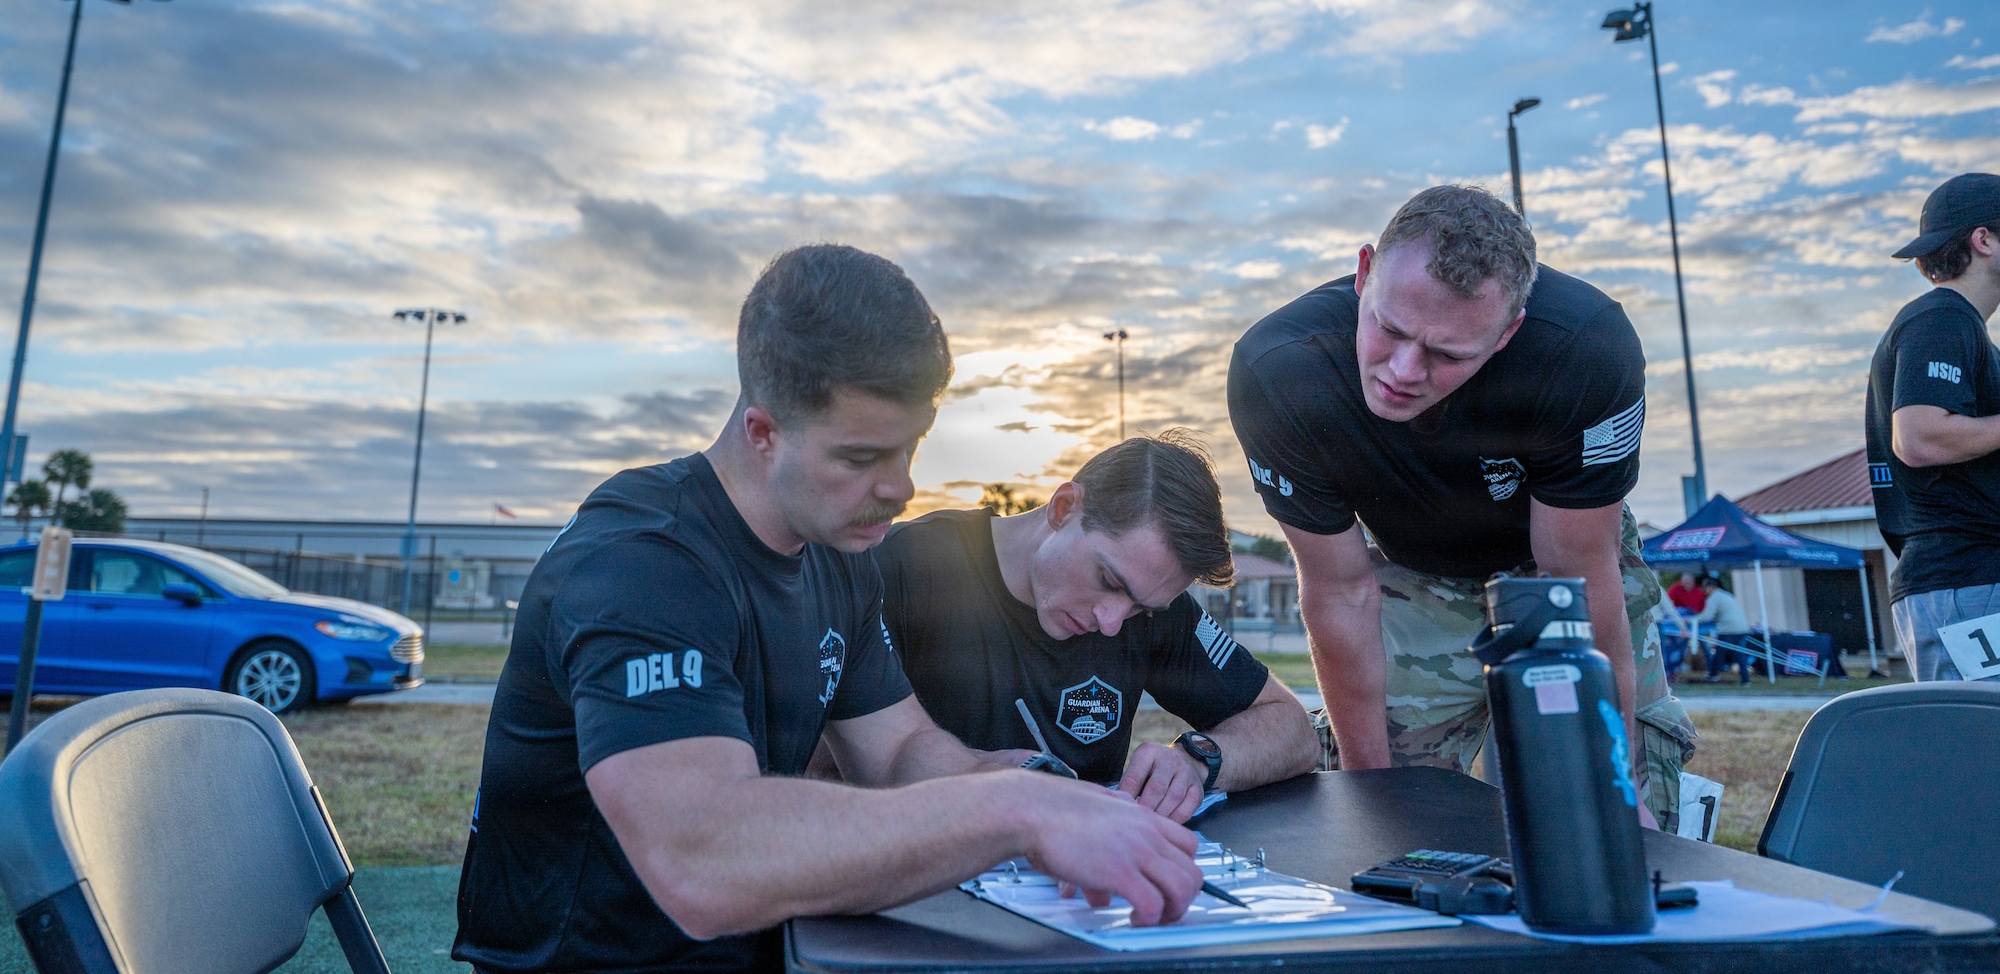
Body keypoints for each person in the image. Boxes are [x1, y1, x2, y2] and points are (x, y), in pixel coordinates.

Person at [454, 246, 1203, 973]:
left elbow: (900, 751)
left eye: (910, 448)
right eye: (860, 457)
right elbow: (702, 861)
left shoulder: (837, 555)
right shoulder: (642, 558)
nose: (901, 488)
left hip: (767, 944)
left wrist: (1033, 786)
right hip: (603, 959)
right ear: (763, 433)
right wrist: (1012, 812)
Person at [1228, 184, 1695, 830]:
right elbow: (1340, 592)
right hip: (1411, 572)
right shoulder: (1281, 370)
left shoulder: (1583, 351)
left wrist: (1613, 780)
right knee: (1391, 819)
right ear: (1364, 273)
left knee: (1608, 823)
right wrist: (1371, 792)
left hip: (1554, 568)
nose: (1402, 370)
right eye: (1389, 328)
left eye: (1447, 354)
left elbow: (1578, 579)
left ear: (1508, 332)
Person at [867, 431, 1320, 823]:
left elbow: (1293, 730)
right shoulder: (902, 567)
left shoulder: (1153, 604)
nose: (1111, 622)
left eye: (1139, 608)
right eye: (1108, 580)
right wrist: (981, 779)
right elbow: (838, 764)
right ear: (1064, 508)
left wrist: (1197, 761)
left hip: (1087, 878)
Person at [1865, 173, 2000, 682]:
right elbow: (1919, 437)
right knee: (1978, 733)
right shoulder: (1941, 318)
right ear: (1983, 239)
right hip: (1965, 583)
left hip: (1971, 582)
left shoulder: (1961, 327)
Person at [1692, 575, 1753, 685]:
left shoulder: (1714, 597)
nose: (1704, 591)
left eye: (1705, 588)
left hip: (1728, 629)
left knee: (1720, 653)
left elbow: (1707, 616)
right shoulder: (1726, 595)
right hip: (1742, 627)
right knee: (1740, 655)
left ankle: (1713, 674)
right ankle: (1746, 680)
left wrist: (1693, 619)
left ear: (1711, 587)